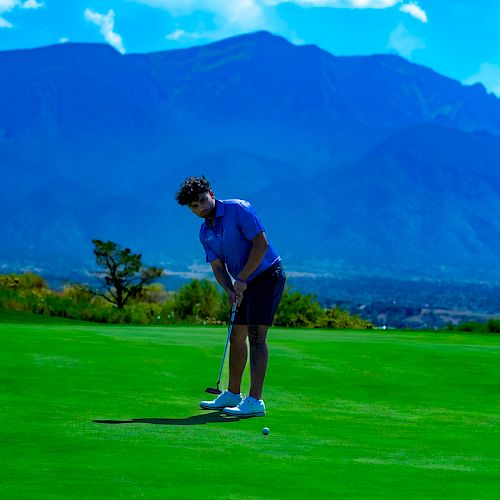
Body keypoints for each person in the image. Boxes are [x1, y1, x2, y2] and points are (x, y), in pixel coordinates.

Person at [175, 176, 286, 417]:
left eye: (203, 201)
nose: (200, 208)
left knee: (256, 337)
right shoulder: (205, 232)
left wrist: (242, 279)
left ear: (211, 194)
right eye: (194, 206)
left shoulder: (239, 209)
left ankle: (255, 401)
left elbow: (261, 244)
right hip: (243, 283)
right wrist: (229, 289)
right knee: (237, 336)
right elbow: (217, 267)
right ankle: (233, 394)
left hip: (267, 276)